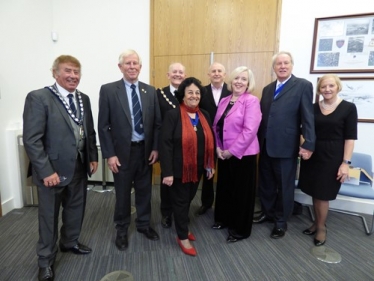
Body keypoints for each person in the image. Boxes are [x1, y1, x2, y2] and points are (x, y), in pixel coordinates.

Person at [23, 55, 99, 281]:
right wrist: (46, 171)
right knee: (49, 218)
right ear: (55, 73)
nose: (73, 76)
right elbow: (32, 140)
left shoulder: (83, 98)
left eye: (77, 72)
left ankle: (70, 242)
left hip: (78, 166)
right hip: (51, 171)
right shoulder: (39, 97)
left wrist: (92, 156)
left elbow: (90, 131)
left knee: (76, 209)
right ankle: (45, 261)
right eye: (68, 71)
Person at [98, 49, 162, 251]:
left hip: (145, 152)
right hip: (121, 154)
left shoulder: (150, 91)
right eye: (128, 63)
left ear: (140, 67)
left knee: (145, 191)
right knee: (123, 194)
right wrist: (109, 154)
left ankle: (143, 224)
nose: (132, 67)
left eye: (135, 63)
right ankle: (122, 229)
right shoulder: (108, 90)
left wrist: (155, 148)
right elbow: (103, 126)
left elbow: (157, 124)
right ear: (120, 67)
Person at [254, 51, 316, 239]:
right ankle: (268, 212)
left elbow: (308, 117)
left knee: (284, 186)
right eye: (278, 63)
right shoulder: (267, 88)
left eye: (286, 63)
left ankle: (281, 222)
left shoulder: (303, 86)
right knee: (266, 183)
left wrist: (309, 143)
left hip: (286, 146)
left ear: (291, 65)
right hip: (265, 145)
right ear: (274, 68)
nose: (282, 66)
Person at [298, 74, 357, 246]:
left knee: (323, 194)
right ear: (319, 89)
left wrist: (345, 163)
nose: (327, 89)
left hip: (333, 156)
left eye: (331, 86)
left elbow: (350, 138)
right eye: (323, 87)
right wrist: (305, 147)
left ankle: (321, 227)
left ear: (338, 87)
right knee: (315, 191)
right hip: (313, 154)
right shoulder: (313, 107)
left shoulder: (348, 108)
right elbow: (303, 131)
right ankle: (317, 222)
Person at [159, 77, 215, 256]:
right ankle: (182, 236)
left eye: (197, 92)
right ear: (183, 95)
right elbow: (165, 144)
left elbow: (209, 142)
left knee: (189, 199)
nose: (194, 95)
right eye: (190, 92)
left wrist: (209, 165)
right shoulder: (173, 114)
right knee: (181, 202)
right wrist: (166, 172)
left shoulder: (204, 115)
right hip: (178, 170)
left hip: (197, 168)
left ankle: (182, 225)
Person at [212, 66, 261, 242]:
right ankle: (224, 219)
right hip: (223, 154)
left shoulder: (251, 101)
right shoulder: (225, 100)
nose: (239, 82)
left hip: (243, 155)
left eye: (243, 79)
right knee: (225, 189)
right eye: (236, 78)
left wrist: (232, 151)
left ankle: (240, 230)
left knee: (242, 193)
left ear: (248, 83)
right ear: (230, 81)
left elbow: (250, 130)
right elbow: (216, 126)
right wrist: (218, 147)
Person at [196, 62, 231, 216]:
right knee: (207, 171)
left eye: (220, 71)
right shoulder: (201, 91)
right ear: (208, 74)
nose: (216, 73)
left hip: (227, 139)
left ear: (224, 74)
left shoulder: (231, 91)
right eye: (213, 71)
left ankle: (225, 203)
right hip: (207, 138)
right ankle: (206, 203)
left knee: (226, 172)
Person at [157, 62, 186, 228]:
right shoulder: (159, 94)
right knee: (167, 180)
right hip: (167, 145)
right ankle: (166, 213)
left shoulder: (190, 93)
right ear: (168, 75)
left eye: (181, 72)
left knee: (183, 183)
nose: (178, 74)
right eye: (174, 72)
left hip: (186, 146)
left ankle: (180, 213)